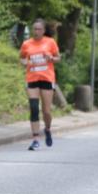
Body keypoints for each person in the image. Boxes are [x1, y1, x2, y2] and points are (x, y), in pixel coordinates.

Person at [19, 19, 60, 150]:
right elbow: (22, 57)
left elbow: (58, 57)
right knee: (34, 107)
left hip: (47, 78)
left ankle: (47, 129)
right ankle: (35, 139)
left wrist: (52, 59)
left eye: (38, 29)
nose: (36, 32)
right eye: (34, 29)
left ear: (43, 30)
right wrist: (24, 62)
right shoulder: (27, 44)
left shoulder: (50, 42)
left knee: (46, 111)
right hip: (32, 78)